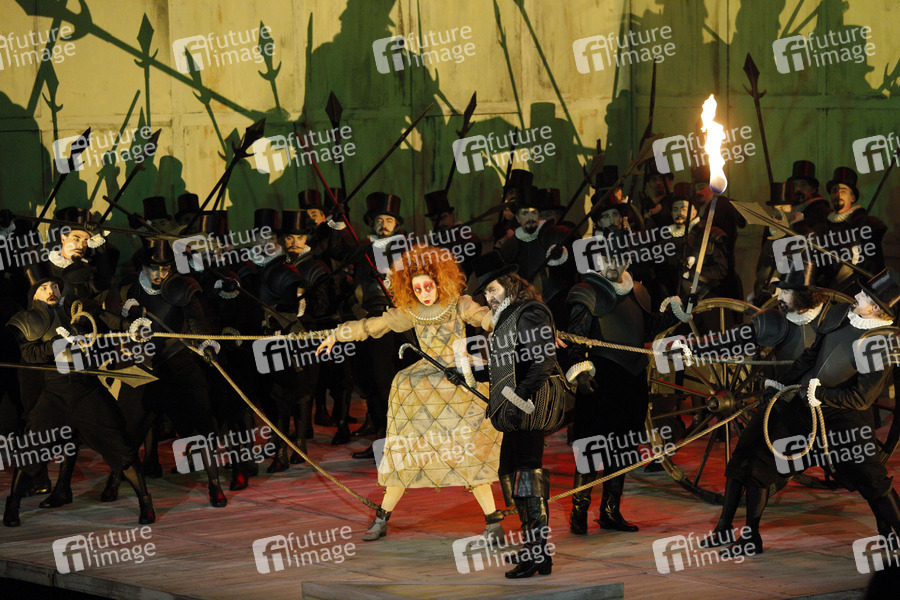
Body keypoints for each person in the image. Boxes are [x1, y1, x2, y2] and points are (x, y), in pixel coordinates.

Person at [316, 244, 503, 542]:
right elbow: (373, 325)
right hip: (422, 386)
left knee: (470, 456)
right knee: (404, 453)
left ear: (440, 281)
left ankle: (493, 522)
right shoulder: (412, 311)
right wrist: (337, 335)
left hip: (460, 379)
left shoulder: (459, 304)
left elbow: (487, 319)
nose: (424, 293)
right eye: (417, 288)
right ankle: (382, 516)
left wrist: (529, 326)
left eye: (428, 286)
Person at [720, 268, 900, 556]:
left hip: (844, 417)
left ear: (876, 308)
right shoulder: (840, 314)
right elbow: (810, 357)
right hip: (805, 407)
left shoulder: (882, 342)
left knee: (873, 481)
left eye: (864, 295)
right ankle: (751, 537)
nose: (856, 296)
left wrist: (821, 395)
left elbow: (862, 398)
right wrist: (784, 384)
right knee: (759, 465)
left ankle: (892, 530)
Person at [4, 264, 154, 526]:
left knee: (119, 444)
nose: (51, 290)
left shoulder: (76, 309)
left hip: (87, 389)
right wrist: (58, 344)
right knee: (31, 447)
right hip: (56, 392)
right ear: (35, 294)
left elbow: (109, 321)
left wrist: (133, 326)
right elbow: (30, 355)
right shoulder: (27, 320)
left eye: (54, 286)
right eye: (44, 288)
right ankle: (12, 506)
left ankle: (145, 502)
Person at [565, 229, 687, 536]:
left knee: (624, 448)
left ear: (628, 260)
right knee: (591, 447)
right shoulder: (586, 291)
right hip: (599, 379)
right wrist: (580, 372)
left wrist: (677, 310)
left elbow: (646, 329)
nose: (612, 265)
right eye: (606, 258)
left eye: (618, 259)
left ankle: (610, 511)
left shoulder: (637, 291)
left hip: (632, 380)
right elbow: (575, 337)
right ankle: (579, 511)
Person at [466, 251, 558, 578]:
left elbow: (544, 361)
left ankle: (537, 552)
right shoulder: (508, 315)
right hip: (514, 407)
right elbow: (505, 366)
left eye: (493, 289)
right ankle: (536, 550)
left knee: (527, 476)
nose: (489, 297)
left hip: (529, 406)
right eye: (485, 293)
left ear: (509, 283)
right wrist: (467, 373)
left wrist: (520, 396)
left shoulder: (530, 312)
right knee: (509, 473)